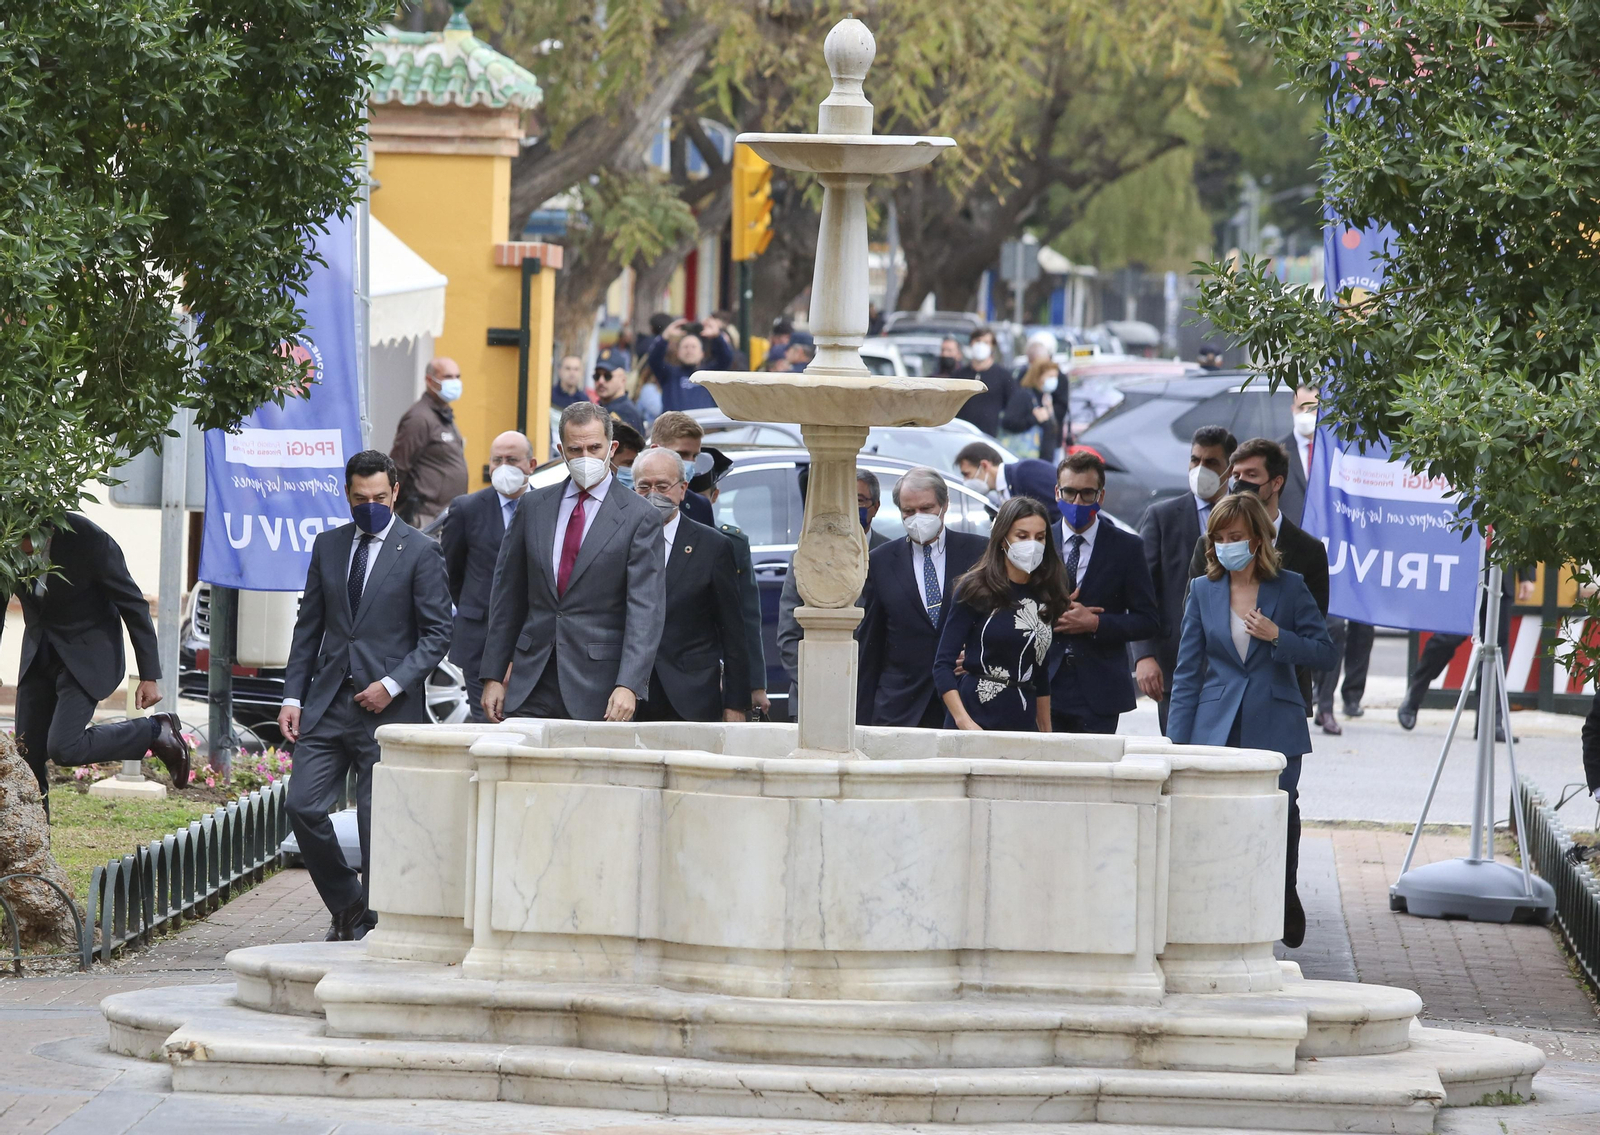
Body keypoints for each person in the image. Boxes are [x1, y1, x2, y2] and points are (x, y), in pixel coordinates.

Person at [278, 450, 453, 940]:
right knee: (302, 806)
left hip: (388, 711)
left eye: (379, 496)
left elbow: (438, 634)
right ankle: (349, 904)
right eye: (360, 498)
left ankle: (374, 925)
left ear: (395, 492)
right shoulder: (329, 545)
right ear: (347, 494)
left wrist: (392, 684)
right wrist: (293, 696)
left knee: (380, 824)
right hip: (329, 702)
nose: (370, 505)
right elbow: (308, 627)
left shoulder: (420, 551)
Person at [1167, 491, 1337, 948]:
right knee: (1217, 822)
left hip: (1276, 721)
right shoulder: (1203, 590)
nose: (1227, 545)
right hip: (1216, 723)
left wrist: (1278, 635)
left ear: (1258, 539)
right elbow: (1187, 673)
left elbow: (1325, 653)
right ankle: (1220, 914)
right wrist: (1175, 745)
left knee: (1277, 815)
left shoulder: (1290, 586)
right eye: (1219, 538)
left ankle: (1282, 894)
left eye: (1236, 536)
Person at [480, 401, 665, 724]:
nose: (585, 457)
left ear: (612, 448)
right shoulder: (533, 506)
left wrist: (629, 685)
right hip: (531, 678)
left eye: (594, 448)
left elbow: (645, 610)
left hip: (599, 687)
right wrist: (494, 674)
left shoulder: (640, 516)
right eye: (575, 449)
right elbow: (507, 596)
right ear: (561, 451)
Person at [7, 515, 189, 809]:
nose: (14, 548)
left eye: (21, 540)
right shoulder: (7, 540)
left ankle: (154, 732)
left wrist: (149, 675)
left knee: (64, 748)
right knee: (27, 757)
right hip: (38, 653)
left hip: (88, 653)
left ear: (45, 527)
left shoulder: (89, 540)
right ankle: (36, 838)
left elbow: (133, 605)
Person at [1186, 437, 1330, 725]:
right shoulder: (1210, 545)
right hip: (1220, 700)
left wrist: (1276, 638)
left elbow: (1314, 635)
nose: (1241, 483)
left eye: (1251, 475)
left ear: (1276, 483)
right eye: (1236, 475)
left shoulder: (1308, 551)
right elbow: (1195, 623)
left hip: (1280, 700)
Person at [856, 467, 988, 727]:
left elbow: (995, 624)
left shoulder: (979, 552)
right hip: (900, 708)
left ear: (944, 505)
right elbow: (871, 645)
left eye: (926, 509)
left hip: (964, 703)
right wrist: (861, 723)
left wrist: (977, 656)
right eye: (909, 511)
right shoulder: (881, 561)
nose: (918, 517)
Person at [629, 447, 749, 722]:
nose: (653, 494)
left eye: (662, 486)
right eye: (644, 487)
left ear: (682, 489)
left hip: (691, 695)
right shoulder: (619, 540)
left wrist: (735, 703)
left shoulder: (712, 546)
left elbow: (733, 631)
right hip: (631, 695)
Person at [933, 497, 1072, 732]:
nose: (1032, 544)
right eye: (1022, 536)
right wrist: (964, 722)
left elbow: (1040, 672)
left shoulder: (1046, 593)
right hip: (975, 714)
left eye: (1040, 537)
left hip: (1021, 716)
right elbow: (942, 665)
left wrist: (1047, 734)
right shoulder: (976, 589)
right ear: (1002, 539)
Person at [1284, 383, 1377, 727]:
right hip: (1290, 558)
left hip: (1335, 557)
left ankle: (1327, 704)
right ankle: (1312, 696)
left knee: (1336, 626)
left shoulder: (1341, 451)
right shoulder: (1279, 452)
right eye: (1302, 407)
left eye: (1314, 408)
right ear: (1292, 409)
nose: (1307, 415)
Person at [1047, 451, 1160, 734]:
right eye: (1070, 492)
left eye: (1087, 494)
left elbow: (1147, 620)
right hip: (1045, 683)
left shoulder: (1127, 547)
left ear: (1101, 496)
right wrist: (1048, 613)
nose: (1077, 502)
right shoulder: (1041, 540)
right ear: (1057, 492)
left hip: (1099, 690)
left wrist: (1096, 623)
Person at [1132, 426, 1236, 732]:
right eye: (1195, 460)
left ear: (1229, 469)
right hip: (1175, 664)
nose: (1200, 469)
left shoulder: (1247, 514)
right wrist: (1144, 655)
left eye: (1211, 462)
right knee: (1178, 749)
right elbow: (1141, 590)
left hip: (1233, 666)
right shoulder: (1162, 517)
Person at [778, 467, 886, 718]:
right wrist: (821, 683)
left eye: (858, 500)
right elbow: (788, 637)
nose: (849, 508)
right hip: (814, 696)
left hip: (874, 700)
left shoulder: (890, 555)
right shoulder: (806, 556)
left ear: (875, 507)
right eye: (843, 500)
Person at [441, 431, 534, 721]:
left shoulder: (547, 505)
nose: (503, 467)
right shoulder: (466, 509)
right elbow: (450, 573)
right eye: (497, 460)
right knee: (488, 723)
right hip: (479, 642)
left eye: (512, 460)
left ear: (531, 465)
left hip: (533, 643)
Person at [1397, 565, 1536, 737]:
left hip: (1501, 579)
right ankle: (1414, 696)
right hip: (1465, 577)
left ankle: (1489, 724)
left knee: (1495, 651)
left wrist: (1526, 575)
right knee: (1447, 639)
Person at [688, 447, 771, 719]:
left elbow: (747, 617)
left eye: (698, 498)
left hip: (717, 668)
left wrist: (755, 685)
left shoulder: (731, 543)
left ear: (714, 497)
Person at [390, 357, 468, 528]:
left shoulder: (443, 415)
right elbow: (398, 467)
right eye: (447, 377)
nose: (454, 382)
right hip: (424, 516)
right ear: (429, 380)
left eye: (457, 376)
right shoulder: (419, 418)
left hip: (446, 514)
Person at [955, 441, 1060, 523]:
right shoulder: (999, 496)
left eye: (967, 474)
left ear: (984, 465)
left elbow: (1058, 509)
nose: (966, 481)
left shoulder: (1024, 471)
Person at [648, 318, 734, 412]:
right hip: (675, 421)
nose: (689, 350)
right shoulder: (669, 374)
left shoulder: (709, 375)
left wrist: (717, 336)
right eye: (685, 347)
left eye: (693, 347)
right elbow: (654, 360)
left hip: (704, 421)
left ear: (702, 353)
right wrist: (665, 336)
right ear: (678, 353)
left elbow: (726, 358)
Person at [649, 411, 716, 525]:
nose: (690, 462)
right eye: (681, 454)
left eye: (694, 456)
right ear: (655, 450)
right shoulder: (625, 501)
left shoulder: (700, 507)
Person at [952, 326, 1015, 437]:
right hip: (961, 435)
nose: (981, 345)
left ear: (992, 347)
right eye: (978, 341)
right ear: (971, 344)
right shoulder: (959, 375)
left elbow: (1012, 405)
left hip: (990, 437)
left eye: (986, 342)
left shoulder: (1004, 376)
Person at [998, 357, 1061, 461]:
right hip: (1027, 459)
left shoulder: (1045, 398)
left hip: (1046, 460)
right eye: (1050, 376)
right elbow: (1008, 422)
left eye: (1055, 377)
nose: (1054, 380)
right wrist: (1034, 419)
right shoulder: (1024, 396)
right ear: (1038, 376)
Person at [593, 349, 645, 434]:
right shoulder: (600, 408)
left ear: (623, 379)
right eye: (597, 376)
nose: (601, 381)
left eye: (607, 376)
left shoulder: (627, 414)